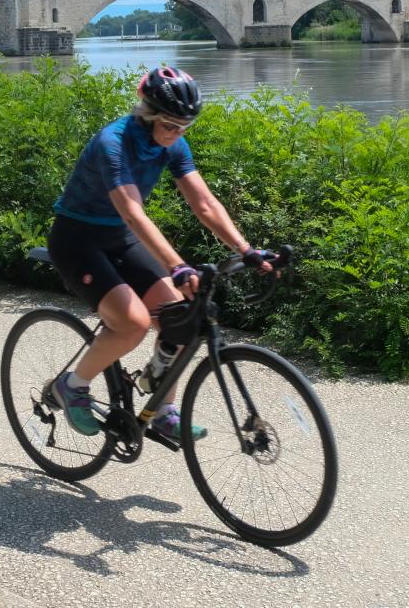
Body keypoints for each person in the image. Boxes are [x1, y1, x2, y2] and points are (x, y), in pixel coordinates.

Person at [47, 67, 271, 440]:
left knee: (180, 318)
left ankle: (163, 408)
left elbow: (204, 204)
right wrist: (177, 266)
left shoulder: (173, 143)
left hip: (119, 238)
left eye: (185, 126)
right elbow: (133, 213)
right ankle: (72, 385)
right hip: (77, 239)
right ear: (148, 114)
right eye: (170, 124)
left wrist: (246, 249)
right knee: (133, 322)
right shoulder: (113, 143)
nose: (177, 133)